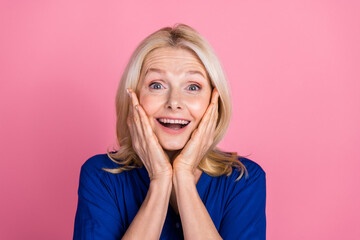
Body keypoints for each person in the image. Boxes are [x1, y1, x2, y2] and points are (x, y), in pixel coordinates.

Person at [73, 24, 266, 240]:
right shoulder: (101, 176)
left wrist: (183, 175)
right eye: (156, 85)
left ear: (214, 102)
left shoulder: (243, 179)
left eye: (192, 87)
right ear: (133, 98)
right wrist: (160, 180)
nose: (174, 102)